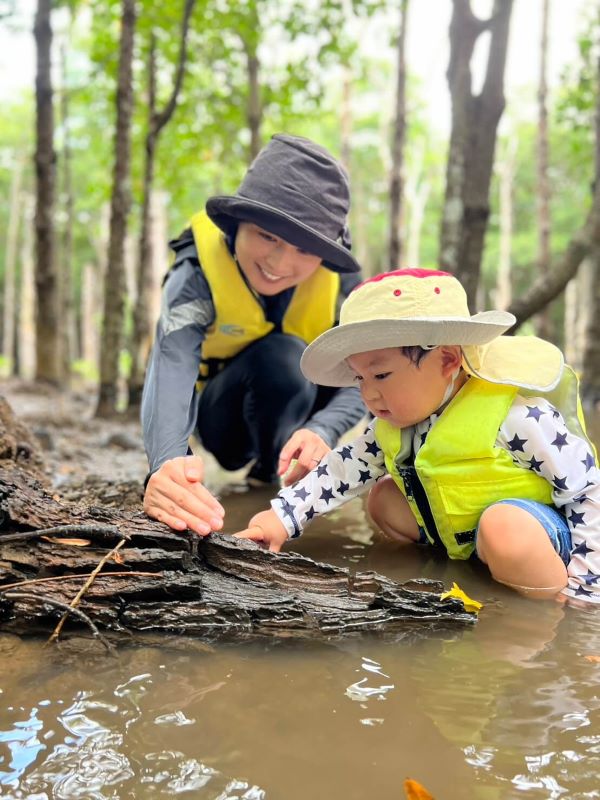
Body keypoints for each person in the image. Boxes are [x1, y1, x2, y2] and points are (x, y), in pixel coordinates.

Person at [235, 268, 600, 605]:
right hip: (464, 536)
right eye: (360, 379)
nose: (368, 395)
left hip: (537, 535)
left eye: (381, 376)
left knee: (504, 528)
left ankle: (550, 601)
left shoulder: (518, 416)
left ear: (446, 361)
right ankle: (453, 571)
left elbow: (587, 490)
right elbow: (338, 473)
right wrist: (278, 519)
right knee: (383, 498)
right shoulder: (390, 425)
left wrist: (585, 588)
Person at [141, 134, 366, 536]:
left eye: (304, 249)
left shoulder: (343, 285)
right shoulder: (195, 272)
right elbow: (171, 360)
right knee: (281, 356)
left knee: (298, 358)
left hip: (302, 414)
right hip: (225, 418)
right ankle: (254, 461)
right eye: (267, 236)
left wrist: (324, 429)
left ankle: (271, 471)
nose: (281, 263)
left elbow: (375, 373)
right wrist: (167, 462)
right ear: (238, 224)